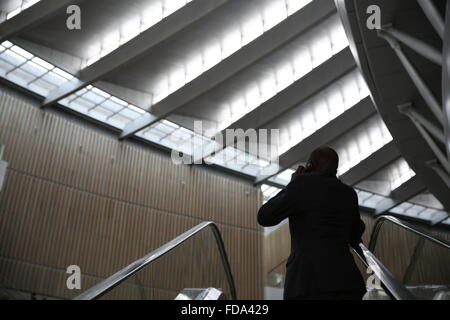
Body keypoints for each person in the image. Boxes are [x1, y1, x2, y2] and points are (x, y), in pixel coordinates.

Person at [258, 146, 366, 300]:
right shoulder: (349, 193)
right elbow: (356, 233)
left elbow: (265, 216)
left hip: (307, 283)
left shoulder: (301, 186)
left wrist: (294, 182)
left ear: (310, 166)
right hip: (347, 282)